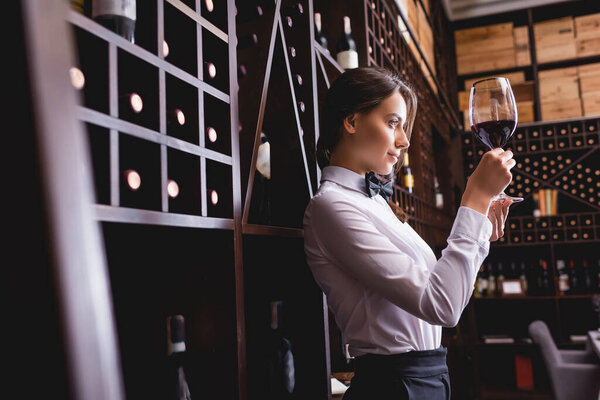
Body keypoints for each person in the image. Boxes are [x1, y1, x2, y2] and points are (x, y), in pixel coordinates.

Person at [303, 66, 514, 399]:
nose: (404, 141)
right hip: (392, 385)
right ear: (352, 121)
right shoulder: (331, 207)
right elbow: (442, 307)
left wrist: (481, 236)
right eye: (392, 123)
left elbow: (448, 294)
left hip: (427, 377)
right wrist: (474, 197)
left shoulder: (375, 202)